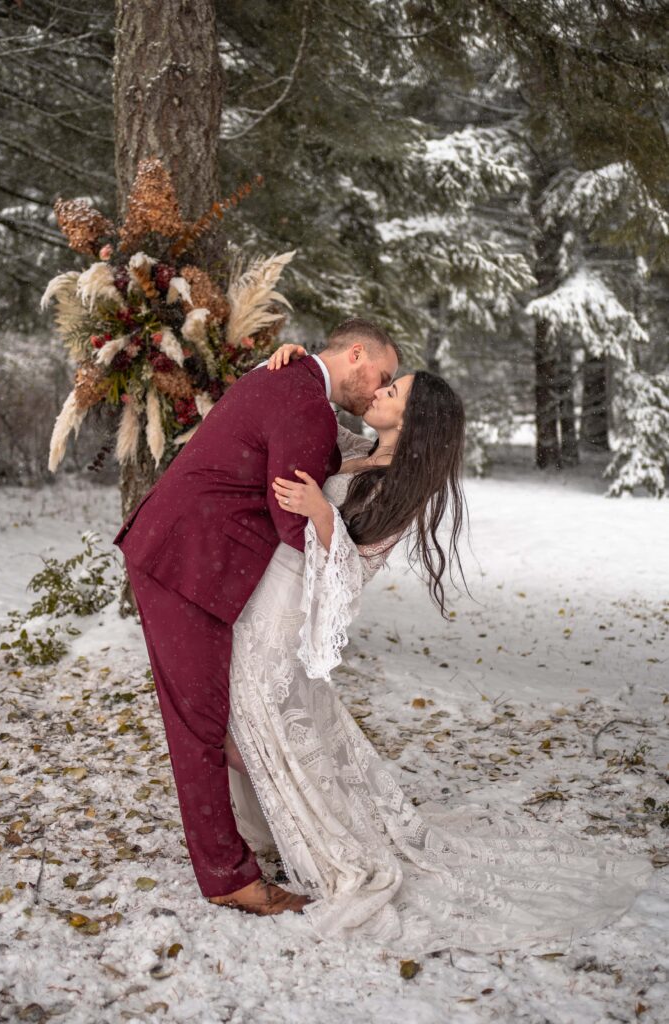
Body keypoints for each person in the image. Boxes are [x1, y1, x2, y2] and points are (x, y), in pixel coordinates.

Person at [221, 342, 654, 954]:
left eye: (392, 392)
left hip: (284, 613)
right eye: (386, 384)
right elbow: (315, 410)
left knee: (262, 731)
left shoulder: (400, 485)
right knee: (260, 729)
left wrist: (321, 513)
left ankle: (312, 838)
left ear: (413, 418)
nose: (379, 391)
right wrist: (299, 359)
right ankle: (275, 831)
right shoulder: (359, 451)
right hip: (262, 600)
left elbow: (353, 572)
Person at [113, 318, 400, 916]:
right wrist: (332, 535)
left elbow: (306, 464)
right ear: (354, 355)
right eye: (383, 376)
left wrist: (356, 473)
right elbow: (292, 522)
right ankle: (228, 878)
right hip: (184, 564)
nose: (380, 390)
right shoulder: (304, 400)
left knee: (209, 719)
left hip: (190, 561)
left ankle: (248, 844)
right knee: (199, 724)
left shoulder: (291, 379)